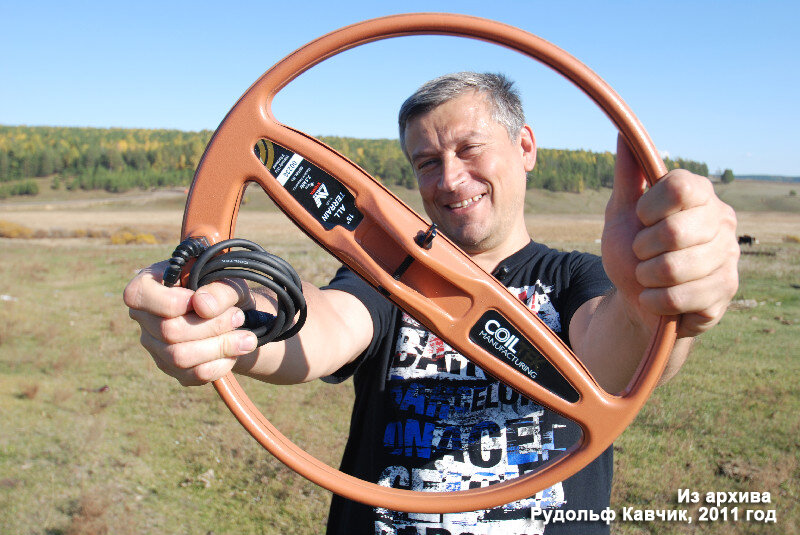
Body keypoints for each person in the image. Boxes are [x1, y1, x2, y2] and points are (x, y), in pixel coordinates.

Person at [124, 72, 739, 534]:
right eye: (426, 161)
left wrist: (653, 302)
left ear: (525, 145)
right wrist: (231, 307)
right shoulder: (392, 277)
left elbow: (616, 353)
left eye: (470, 149)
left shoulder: (574, 278)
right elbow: (323, 327)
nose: (448, 179)